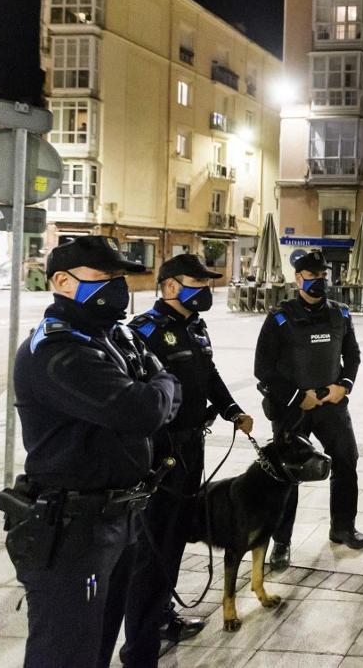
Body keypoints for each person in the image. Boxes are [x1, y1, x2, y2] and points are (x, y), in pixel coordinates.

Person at [2, 236, 181, 668]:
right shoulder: (59, 350)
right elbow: (143, 409)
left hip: (120, 517)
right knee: (66, 653)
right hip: (72, 529)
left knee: (98, 643)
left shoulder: (112, 335)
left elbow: (164, 386)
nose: (118, 287)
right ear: (63, 282)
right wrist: (160, 390)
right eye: (105, 278)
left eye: (121, 277)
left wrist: (160, 390)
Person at [120, 254, 255, 663]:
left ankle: (163, 616)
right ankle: (139, 647)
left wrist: (232, 410)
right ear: (170, 286)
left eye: (207, 282)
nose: (205, 289)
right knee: (153, 546)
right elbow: (132, 396)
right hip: (161, 451)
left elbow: (208, 375)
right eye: (196, 282)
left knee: (176, 535)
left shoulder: (194, 326)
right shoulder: (141, 331)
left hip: (192, 447)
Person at [254, 250, 363, 568]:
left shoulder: (341, 313)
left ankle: (342, 527)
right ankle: (282, 542)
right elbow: (263, 369)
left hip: (331, 405)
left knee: (347, 460)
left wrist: (343, 386)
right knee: (286, 474)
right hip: (294, 408)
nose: (319, 280)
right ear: (298, 279)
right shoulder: (280, 317)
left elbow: (353, 356)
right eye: (312, 275)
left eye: (323, 275)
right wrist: (296, 397)